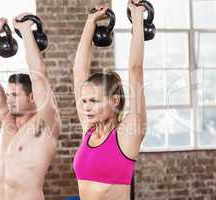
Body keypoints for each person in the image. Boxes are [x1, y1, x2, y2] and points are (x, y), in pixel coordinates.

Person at [72, 1, 147, 200]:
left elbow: (135, 70)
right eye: (84, 101)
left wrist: (137, 18)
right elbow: (78, 71)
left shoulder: (128, 133)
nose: (86, 107)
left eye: (94, 101)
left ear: (114, 101)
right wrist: (91, 22)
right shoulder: (89, 130)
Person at [0, 15, 60, 200]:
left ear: (33, 97)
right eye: (8, 95)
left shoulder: (45, 124)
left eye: (15, 95)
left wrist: (25, 31)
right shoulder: (6, 121)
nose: (8, 100)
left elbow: (39, 75)